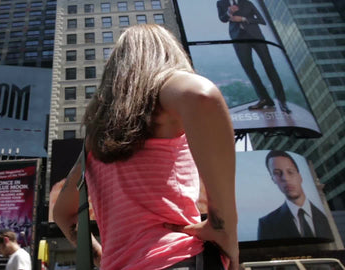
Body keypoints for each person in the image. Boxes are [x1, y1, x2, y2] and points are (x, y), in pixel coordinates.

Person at [53, 24, 239, 270]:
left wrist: (98, 255)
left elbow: (61, 213)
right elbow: (202, 95)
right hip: (178, 259)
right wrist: (223, 226)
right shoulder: (165, 100)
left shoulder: (93, 145)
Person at [217, 0, 291, 114]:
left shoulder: (247, 2)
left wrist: (243, 19)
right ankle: (265, 99)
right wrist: (228, 12)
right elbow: (222, 19)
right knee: (249, 69)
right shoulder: (221, 2)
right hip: (238, 39)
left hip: (256, 37)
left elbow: (262, 20)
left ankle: (282, 101)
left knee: (269, 66)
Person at [257, 150, 333, 240]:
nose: (285, 178)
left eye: (290, 172)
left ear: (300, 176)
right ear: (273, 179)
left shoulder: (324, 217)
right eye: (277, 173)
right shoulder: (266, 224)